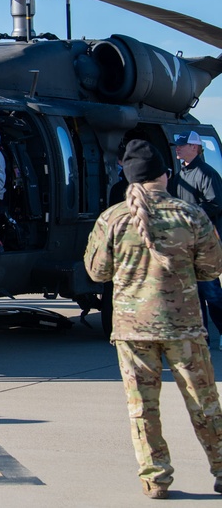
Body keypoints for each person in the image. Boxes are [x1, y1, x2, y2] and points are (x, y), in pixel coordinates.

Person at [85, 139, 222, 500]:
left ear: (129, 180)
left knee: (143, 409)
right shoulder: (191, 215)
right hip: (185, 327)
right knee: (204, 403)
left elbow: (97, 272)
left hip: (132, 329)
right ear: (165, 175)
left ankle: (155, 478)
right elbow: (211, 267)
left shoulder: (112, 219)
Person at [169, 131, 222, 349]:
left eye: (182, 145)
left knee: (210, 292)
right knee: (192, 293)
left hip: (204, 243)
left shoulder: (207, 174)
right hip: (185, 243)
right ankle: (202, 337)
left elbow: (215, 205)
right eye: (177, 145)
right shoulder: (179, 176)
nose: (178, 148)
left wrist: (187, 214)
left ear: (195, 147)